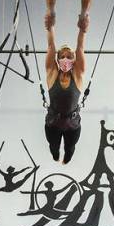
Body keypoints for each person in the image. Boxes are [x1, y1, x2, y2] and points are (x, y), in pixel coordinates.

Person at [44, 18, 86, 164]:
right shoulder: (52, 74)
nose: (65, 59)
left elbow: (80, 47)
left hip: (72, 125)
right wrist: (50, 29)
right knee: (54, 148)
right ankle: (56, 156)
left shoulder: (78, 75)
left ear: (74, 60)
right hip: (53, 123)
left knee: (70, 148)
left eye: (69, 57)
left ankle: (66, 157)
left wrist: (82, 31)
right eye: (62, 57)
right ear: (57, 59)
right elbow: (50, 46)